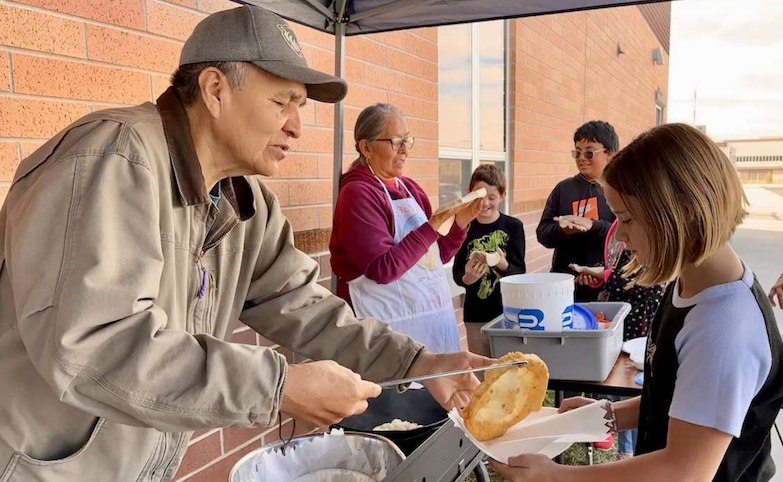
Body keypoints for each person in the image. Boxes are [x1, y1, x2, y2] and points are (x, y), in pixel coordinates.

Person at [0, 8, 491, 482]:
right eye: (282, 103)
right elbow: (95, 346)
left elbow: (303, 305)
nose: (297, 126)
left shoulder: (244, 198)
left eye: (301, 107)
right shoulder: (113, 159)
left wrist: (417, 362)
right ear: (215, 89)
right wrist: (277, 385)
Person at [491, 124, 783, 482]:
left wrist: (556, 476)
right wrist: (607, 415)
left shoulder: (722, 328)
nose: (619, 233)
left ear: (684, 211)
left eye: (627, 218)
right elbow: (678, 400)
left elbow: (684, 472)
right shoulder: (692, 283)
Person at [330, 103, 482, 353]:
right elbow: (382, 268)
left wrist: (460, 224)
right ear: (366, 148)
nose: (405, 150)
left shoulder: (410, 189)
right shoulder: (358, 194)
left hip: (431, 326)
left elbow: (434, 257)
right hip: (385, 334)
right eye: (395, 141)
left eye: (408, 140)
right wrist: (432, 227)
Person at [571, 218, 666, 458]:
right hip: (622, 323)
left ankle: (630, 451)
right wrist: (600, 274)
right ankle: (624, 449)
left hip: (642, 328)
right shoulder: (622, 227)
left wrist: (605, 276)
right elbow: (620, 268)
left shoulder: (655, 238)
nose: (622, 233)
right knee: (621, 384)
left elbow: (646, 283)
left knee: (635, 388)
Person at [536, 121, 618, 302]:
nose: (581, 158)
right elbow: (543, 233)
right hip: (563, 285)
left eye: (589, 153)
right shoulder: (563, 189)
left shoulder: (620, 190)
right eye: (577, 152)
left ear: (610, 153)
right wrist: (563, 231)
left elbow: (625, 238)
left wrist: (594, 226)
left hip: (604, 286)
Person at [453, 164, 526, 356]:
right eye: (479, 196)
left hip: (507, 313)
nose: (484, 203)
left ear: (502, 195)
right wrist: (467, 278)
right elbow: (457, 272)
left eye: (491, 197)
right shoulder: (463, 227)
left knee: (507, 364)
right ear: (470, 193)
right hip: (475, 314)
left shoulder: (513, 226)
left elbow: (520, 272)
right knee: (480, 366)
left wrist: (502, 264)